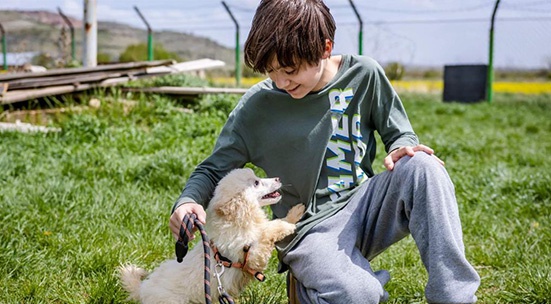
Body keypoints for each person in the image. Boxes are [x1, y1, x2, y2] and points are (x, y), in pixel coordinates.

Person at [169, 0, 480, 302]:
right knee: (359, 296)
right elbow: (212, 169)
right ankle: (327, 283)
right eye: (271, 71)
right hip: (308, 229)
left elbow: (400, 133)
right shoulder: (257, 106)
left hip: (365, 206)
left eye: (289, 70)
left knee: (423, 164)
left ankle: (453, 297)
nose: (281, 81)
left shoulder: (365, 75)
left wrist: (401, 147)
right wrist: (187, 202)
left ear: (325, 49)